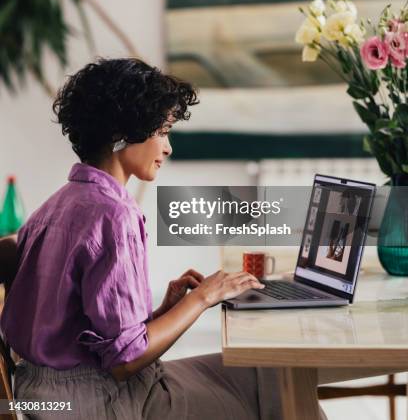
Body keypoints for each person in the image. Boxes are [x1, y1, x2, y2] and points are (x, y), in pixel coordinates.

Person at [1, 58, 325, 419]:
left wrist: (165, 311)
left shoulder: (54, 207)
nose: (168, 148)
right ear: (122, 135)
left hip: (45, 395)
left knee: (269, 371)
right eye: (162, 131)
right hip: (102, 403)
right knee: (280, 385)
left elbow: (95, 336)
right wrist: (202, 298)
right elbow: (124, 362)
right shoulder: (114, 215)